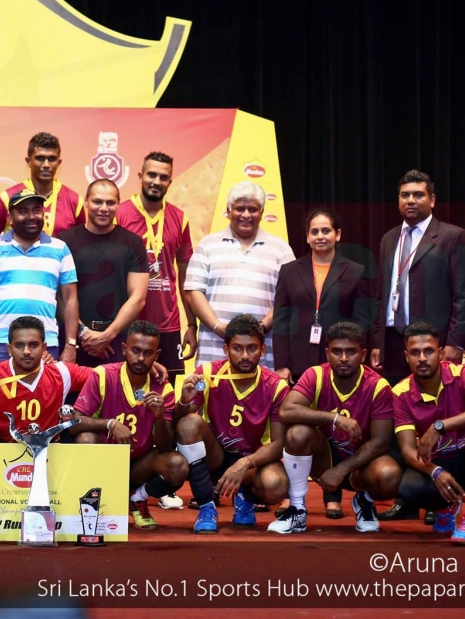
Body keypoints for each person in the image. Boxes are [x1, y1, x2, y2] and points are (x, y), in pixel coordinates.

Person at [272, 208, 375, 518]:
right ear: (306, 236)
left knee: (333, 426)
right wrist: (282, 363)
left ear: (337, 234)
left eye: (326, 230)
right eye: (314, 231)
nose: (320, 236)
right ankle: (292, 494)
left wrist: (352, 358)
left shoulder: (355, 271)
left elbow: (362, 320)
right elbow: (282, 319)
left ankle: (333, 495)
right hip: (299, 360)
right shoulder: (290, 270)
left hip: (338, 362)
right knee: (296, 428)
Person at [269, 322, 399, 535]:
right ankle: (297, 509)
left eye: (351, 352)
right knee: (297, 433)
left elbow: (381, 442)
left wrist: (341, 470)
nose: (344, 358)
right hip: (324, 458)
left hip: (360, 464)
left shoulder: (378, 385)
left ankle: (364, 501)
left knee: (389, 475)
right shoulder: (315, 375)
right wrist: (335, 418)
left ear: (363, 355)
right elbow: (286, 411)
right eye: (337, 351)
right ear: (327, 353)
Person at [174, 314, 290, 534]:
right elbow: (180, 424)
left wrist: (244, 464)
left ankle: (245, 498)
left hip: (252, 462)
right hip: (216, 457)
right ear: (226, 349)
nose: (245, 355)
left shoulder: (276, 386)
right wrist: (183, 402)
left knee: (276, 484)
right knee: (189, 423)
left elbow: (278, 444)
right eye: (237, 348)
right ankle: (206, 507)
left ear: (263, 350)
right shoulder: (208, 373)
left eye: (252, 348)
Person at [389, 322, 465, 545]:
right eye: (415, 353)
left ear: (440, 353)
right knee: (408, 488)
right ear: (406, 357)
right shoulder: (400, 392)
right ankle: (445, 506)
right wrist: (435, 471)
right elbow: (408, 450)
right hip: (439, 462)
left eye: (429, 351)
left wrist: (439, 426)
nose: (422, 358)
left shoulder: (464, 373)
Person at [71, 320, 188, 530]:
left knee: (177, 464)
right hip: (106, 460)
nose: (141, 358)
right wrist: (110, 424)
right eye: (135, 350)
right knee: (85, 439)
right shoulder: (102, 375)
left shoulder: (163, 389)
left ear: (157, 355)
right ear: (125, 349)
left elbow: (165, 446)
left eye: (148, 353)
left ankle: (137, 498)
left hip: (139, 466)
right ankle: (98, 503)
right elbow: (74, 422)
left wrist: (159, 417)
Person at [371, 170, 465, 387]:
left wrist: (456, 343)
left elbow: (464, 296)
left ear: (432, 200)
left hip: (432, 342)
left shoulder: (452, 236)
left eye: (418, 195)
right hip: (392, 341)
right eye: (405, 195)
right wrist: (377, 341)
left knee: (434, 402)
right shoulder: (388, 239)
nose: (410, 200)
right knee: (395, 401)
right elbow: (381, 295)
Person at [184, 182, 295, 368]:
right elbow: (193, 292)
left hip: (262, 355)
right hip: (213, 352)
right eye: (240, 209)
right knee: (210, 387)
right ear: (228, 211)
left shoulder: (281, 249)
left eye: (253, 209)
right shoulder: (207, 245)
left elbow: (289, 298)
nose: (246, 215)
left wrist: (260, 330)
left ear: (262, 212)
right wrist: (219, 328)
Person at [0, 190, 80, 370]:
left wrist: (70, 345)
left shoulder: (61, 249)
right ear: (10, 218)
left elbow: (70, 300)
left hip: (44, 345)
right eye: (23, 211)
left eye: (36, 210)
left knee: (43, 389)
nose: (31, 216)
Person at [115, 151, 197, 379]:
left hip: (167, 324)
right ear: (140, 176)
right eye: (151, 175)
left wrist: (192, 325)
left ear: (170, 181)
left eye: (163, 177)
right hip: (128, 322)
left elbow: (185, 278)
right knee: (126, 388)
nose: (156, 182)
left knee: (167, 389)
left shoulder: (180, 218)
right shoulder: (120, 214)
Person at [0, 316, 91, 443]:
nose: (26, 351)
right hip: (3, 448)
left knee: (88, 438)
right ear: (9, 349)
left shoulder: (62, 372)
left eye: (33, 345)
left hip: (49, 448)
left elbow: (101, 375)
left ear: (44, 348)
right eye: (19, 345)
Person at [58, 180, 149, 367]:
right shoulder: (63, 242)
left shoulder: (133, 243)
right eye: (97, 201)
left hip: (118, 341)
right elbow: (58, 296)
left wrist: (107, 335)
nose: (104, 208)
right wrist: (83, 333)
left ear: (118, 205)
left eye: (110, 203)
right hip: (73, 341)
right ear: (86, 202)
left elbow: (138, 298)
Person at [0, 131, 84, 236]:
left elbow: (81, 242)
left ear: (58, 163)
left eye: (52, 159)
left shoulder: (75, 201)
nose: (46, 165)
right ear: (28, 161)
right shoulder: (7, 198)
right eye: (40, 158)